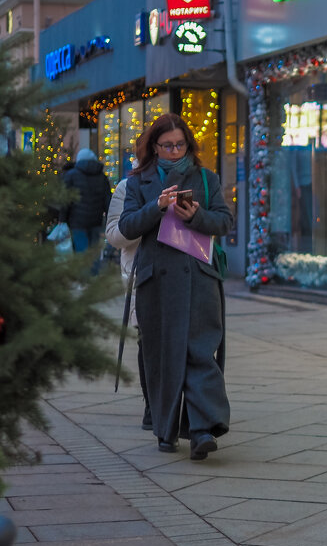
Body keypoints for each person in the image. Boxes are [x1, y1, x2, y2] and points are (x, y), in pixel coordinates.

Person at [119, 113, 234, 462]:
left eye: (179, 145)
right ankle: (165, 430)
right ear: (154, 146)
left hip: (199, 279)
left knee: (200, 352)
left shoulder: (205, 177)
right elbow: (126, 227)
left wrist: (196, 215)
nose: (173, 151)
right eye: (166, 145)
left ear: (188, 145)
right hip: (158, 282)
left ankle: (202, 429)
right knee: (161, 356)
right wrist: (157, 207)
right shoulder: (138, 182)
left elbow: (225, 221)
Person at [106, 175, 151, 432]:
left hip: (181, 276)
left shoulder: (188, 180)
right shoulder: (129, 186)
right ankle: (153, 406)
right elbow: (113, 235)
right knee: (148, 342)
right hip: (143, 275)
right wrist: (150, 216)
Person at [61, 148, 112, 263]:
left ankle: (84, 279)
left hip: (77, 221)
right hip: (96, 221)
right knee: (94, 253)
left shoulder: (71, 175)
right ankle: (93, 277)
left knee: (81, 253)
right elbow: (108, 200)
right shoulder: (102, 177)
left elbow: (66, 200)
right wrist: (109, 220)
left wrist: (62, 219)